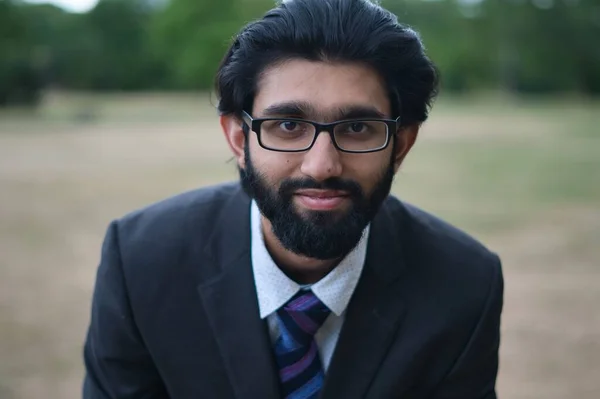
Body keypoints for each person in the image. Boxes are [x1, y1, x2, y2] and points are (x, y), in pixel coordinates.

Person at [82, 0, 504, 398]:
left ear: (401, 145)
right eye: (287, 125)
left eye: (357, 128)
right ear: (237, 137)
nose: (322, 166)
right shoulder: (141, 262)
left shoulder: (464, 284)